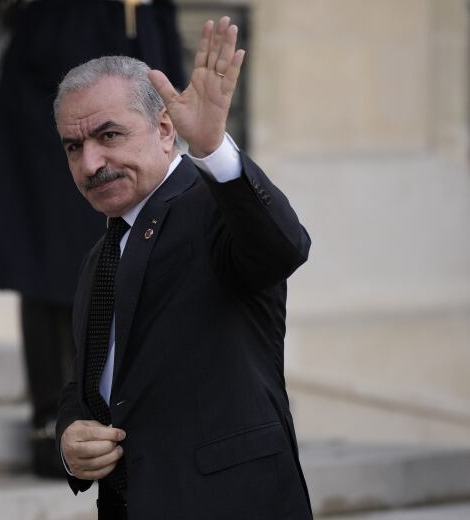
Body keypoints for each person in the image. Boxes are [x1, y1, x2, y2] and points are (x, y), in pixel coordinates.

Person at [54, 17, 313, 519]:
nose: (90, 164)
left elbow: (283, 247)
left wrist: (215, 151)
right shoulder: (100, 257)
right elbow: (95, 381)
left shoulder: (213, 208)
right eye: (74, 146)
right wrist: (70, 438)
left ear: (166, 130)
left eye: (109, 135)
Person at [0, 0, 184, 477]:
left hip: (143, 33)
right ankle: (51, 421)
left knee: (145, 231)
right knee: (46, 244)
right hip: (59, 44)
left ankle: (126, 407)